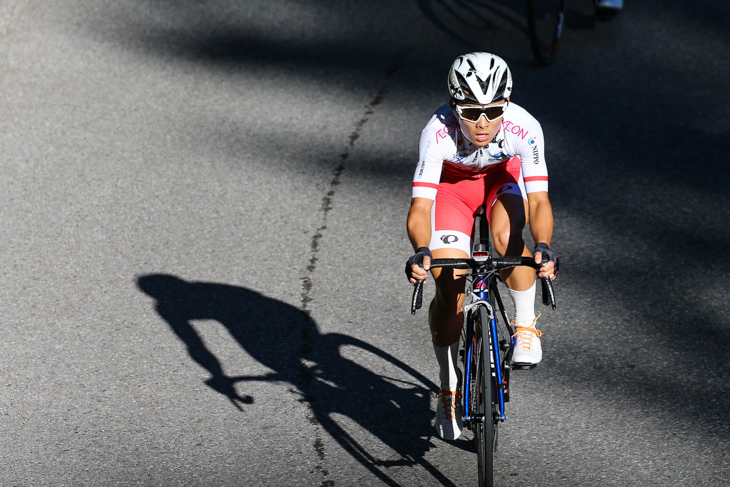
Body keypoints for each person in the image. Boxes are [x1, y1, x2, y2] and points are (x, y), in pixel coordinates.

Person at [405, 52, 559, 441]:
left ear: (505, 104)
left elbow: (539, 201)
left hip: (499, 182)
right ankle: (448, 386)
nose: (483, 123)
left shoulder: (525, 127)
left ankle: (525, 325)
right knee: (449, 279)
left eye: (493, 111)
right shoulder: (437, 132)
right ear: (455, 106)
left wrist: (544, 245)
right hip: (451, 191)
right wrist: (421, 249)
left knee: (510, 241)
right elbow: (421, 206)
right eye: (471, 112)